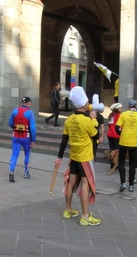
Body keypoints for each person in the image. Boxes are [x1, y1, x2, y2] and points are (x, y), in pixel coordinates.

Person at [55, 86, 101, 226]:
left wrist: (59, 157)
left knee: (71, 182)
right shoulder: (86, 120)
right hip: (85, 157)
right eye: (87, 102)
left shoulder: (69, 120)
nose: (88, 104)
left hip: (74, 156)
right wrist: (94, 120)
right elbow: (95, 135)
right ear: (84, 104)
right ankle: (85, 216)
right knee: (85, 184)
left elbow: (64, 140)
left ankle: (68, 209)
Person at [115, 99, 137, 192]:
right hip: (134, 142)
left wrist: (121, 134)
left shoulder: (123, 114)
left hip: (123, 141)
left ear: (128, 106)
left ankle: (123, 183)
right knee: (132, 164)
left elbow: (117, 128)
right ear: (136, 107)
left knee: (121, 162)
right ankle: (131, 185)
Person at [8, 97, 36, 182]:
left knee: (14, 154)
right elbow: (32, 128)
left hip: (16, 136)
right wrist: (33, 140)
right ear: (28, 103)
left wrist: (14, 128)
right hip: (26, 137)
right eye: (30, 102)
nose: (30, 104)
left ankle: (11, 171)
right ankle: (26, 172)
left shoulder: (15, 110)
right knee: (27, 154)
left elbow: (10, 123)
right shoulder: (30, 113)